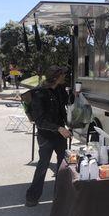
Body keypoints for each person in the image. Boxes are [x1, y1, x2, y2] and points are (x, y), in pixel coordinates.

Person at [25, 65, 72, 207]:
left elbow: (67, 102)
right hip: (46, 135)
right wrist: (58, 128)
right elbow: (40, 121)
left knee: (62, 167)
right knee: (43, 165)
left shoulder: (60, 89)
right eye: (62, 74)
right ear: (56, 77)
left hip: (60, 134)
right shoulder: (39, 93)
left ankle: (60, 195)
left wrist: (75, 94)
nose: (65, 76)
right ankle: (32, 197)